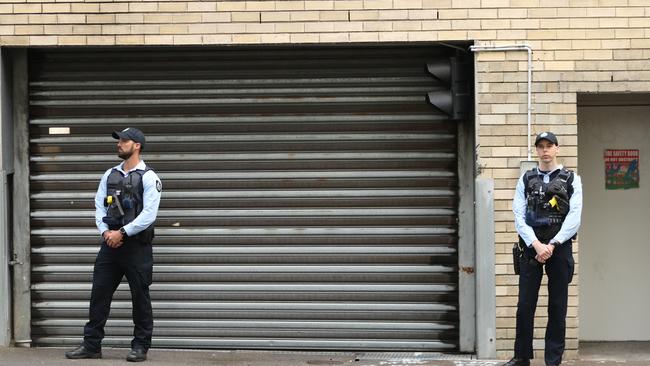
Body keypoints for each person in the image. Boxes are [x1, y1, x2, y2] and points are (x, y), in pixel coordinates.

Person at [65, 127, 162, 362]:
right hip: (110, 246)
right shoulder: (109, 175)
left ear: (137, 145)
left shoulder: (150, 177)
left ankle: (140, 346)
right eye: (119, 140)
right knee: (99, 294)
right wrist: (106, 232)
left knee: (140, 297)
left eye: (124, 141)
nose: (119, 144)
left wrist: (122, 233)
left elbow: (149, 214)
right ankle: (91, 345)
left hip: (137, 247)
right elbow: (99, 205)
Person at [504, 132, 583, 366]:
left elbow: (574, 216)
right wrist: (536, 244)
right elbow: (518, 215)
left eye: (550, 146)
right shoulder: (526, 179)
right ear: (536, 150)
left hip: (559, 247)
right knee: (525, 304)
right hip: (531, 248)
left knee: (557, 305)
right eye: (541, 146)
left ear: (557, 149)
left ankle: (553, 360)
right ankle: (521, 357)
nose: (545, 150)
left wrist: (553, 244)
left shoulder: (572, 179)